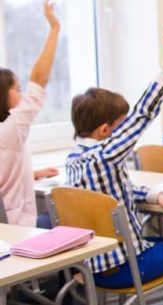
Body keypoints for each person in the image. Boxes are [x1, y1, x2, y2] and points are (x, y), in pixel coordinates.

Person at [66, 30, 163, 305]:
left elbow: (116, 192)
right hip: (125, 266)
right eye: (121, 126)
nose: (125, 133)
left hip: (87, 267)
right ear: (106, 130)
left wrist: (155, 195)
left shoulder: (74, 160)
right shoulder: (104, 155)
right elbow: (143, 114)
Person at [0, 0, 60, 227]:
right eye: (17, 89)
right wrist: (54, 28)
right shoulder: (10, 130)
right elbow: (39, 79)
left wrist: (30, 173)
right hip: (16, 228)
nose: (23, 94)